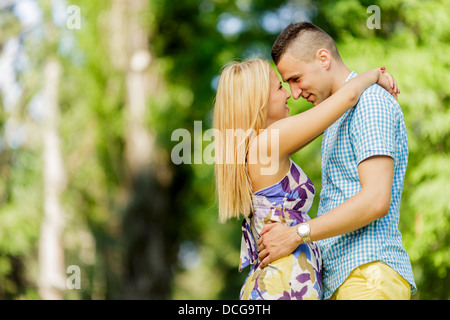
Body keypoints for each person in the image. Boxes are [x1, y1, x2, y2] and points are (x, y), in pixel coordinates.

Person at [213, 57, 398, 299]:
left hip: (282, 284)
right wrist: (374, 74)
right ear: (259, 102)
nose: (289, 94)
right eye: (280, 87)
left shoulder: (262, 148)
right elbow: (346, 99)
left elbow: (326, 119)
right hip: (282, 285)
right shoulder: (268, 142)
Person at [257, 22, 417, 300]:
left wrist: (296, 234)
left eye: (296, 79)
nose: (294, 93)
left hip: (369, 275)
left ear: (323, 58)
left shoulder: (370, 103)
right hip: (345, 278)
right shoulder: (336, 113)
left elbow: (376, 200)